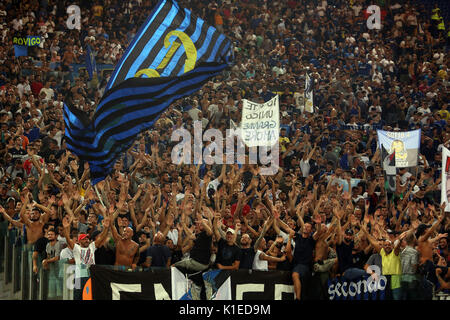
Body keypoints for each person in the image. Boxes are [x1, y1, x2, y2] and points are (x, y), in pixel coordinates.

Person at [62, 213, 111, 300]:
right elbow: (67, 239)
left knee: (90, 297)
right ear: (80, 241)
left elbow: (101, 238)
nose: (87, 240)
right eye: (84, 239)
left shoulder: (92, 246)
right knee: (77, 297)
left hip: (91, 276)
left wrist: (106, 228)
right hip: (79, 277)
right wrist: (66, 229)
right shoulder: (76, 248)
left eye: (87, 238)